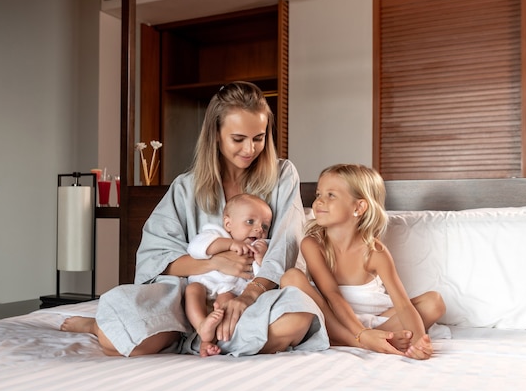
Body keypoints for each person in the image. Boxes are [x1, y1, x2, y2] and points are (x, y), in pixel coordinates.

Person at [61, 81, 328, 357]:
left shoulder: (283, 175)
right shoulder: (186, 187)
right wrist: (213, 262)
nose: (250, 149)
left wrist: (250, 294)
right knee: (115, 332)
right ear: (215, 134)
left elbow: (288, 243)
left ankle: (200, 337)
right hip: (188, 298)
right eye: (238, 139)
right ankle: (192, 331)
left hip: (254, 294)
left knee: (298, 316)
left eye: (258, 137)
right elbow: (157, 257)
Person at [281, 164, 445, 360]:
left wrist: (419, 341)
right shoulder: (313, 244)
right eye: (318, 194)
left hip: (376, 321)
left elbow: (402, 305)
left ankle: (377, 337)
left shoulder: (375, 252)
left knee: (434, 302)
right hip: (333, 320)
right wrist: (361, 334)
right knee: (291, 277)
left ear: (358, 207)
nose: (318, 202)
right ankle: (357, 341)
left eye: (331, 195)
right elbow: (332, 295)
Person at [185, 193, 272, 357]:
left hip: (230, 291)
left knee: (227, 302)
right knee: (192, 290)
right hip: (206, 286)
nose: (259, 229)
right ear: (228, 223)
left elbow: (262, 278)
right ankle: (201, 326)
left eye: (265, 227)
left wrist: (260, 260)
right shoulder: (216, 234)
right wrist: (230, 244)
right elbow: (195, 248)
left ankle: (208, 341)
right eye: (250, 221)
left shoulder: (258, 247)